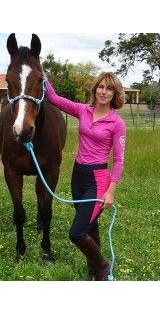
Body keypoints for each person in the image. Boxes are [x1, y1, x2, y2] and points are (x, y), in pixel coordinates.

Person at [45, 72, 126, 281]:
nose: (103, 92)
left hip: (97, 180)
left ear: (114, 94)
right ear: (95, 89)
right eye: (101, 87)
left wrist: (111, 191)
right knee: (90, 226)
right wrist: (40, 74)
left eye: (109, 89)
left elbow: (118, 160)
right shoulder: (83, 111)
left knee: (77, 232)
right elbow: (54, 99)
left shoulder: (117, 123)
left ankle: (102, 268)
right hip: (77, 176)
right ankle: (94, 272)